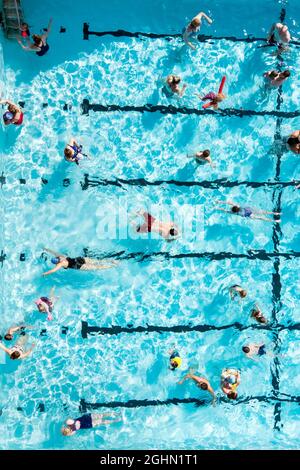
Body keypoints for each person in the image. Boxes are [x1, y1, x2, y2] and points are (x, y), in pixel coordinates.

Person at [42, 248, 118, 276]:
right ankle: (111, 261)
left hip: (79, 266)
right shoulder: (61, 256)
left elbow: (53, 270)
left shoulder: (60, 264)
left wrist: (45, 273)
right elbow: (53, 252)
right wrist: (46, 249)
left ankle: (113, 265)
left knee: (98, 267)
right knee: (98, 261)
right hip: (80, 259)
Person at [215, 200, 281, 223]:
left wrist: (218, 208)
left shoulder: (235, 212)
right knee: (263, 212)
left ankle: (275, 221)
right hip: (250, 210)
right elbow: (228, 203)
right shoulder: (237, 206)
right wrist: (220, 202)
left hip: (249, 214)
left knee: (261, 218)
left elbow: (225, 210)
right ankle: (275, 213)